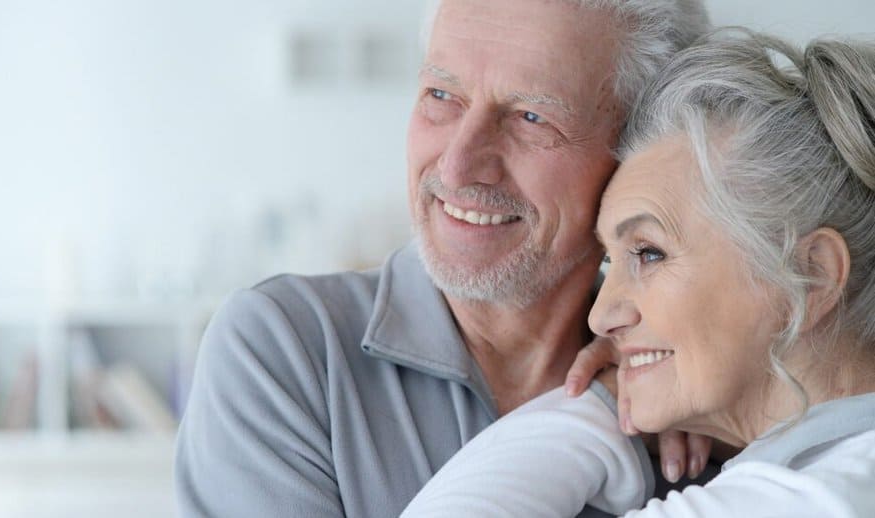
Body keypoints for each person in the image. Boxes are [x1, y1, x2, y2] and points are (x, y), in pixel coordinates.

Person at [174, 0, 712, 516]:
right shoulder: (283, 351)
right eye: (440, 94)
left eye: (530, 116)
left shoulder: (695, 388)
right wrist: (587, 412)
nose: (456, 167)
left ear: (644, 153)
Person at [400, 29, 875, 517]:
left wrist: (597, 406)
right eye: (610, 260)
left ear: (810, 276)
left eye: (648, 253)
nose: (602, 316)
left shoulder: (820, 496)